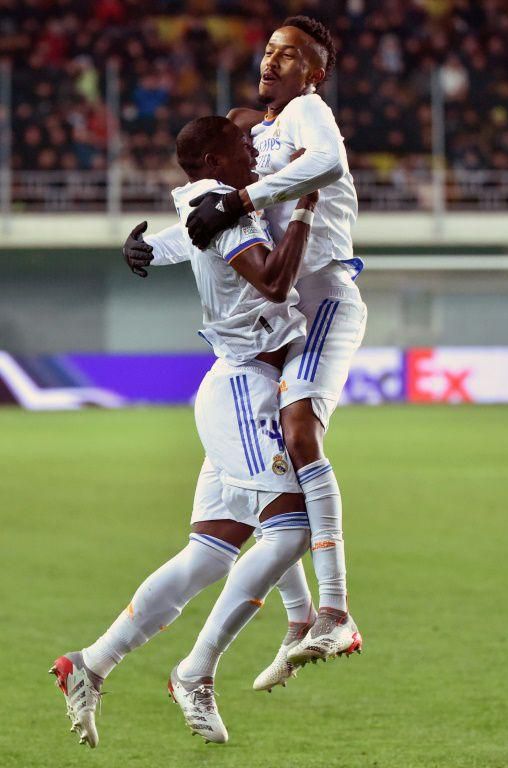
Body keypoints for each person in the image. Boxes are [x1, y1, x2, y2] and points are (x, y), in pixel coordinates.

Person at [50, 116, 318, 747]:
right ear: (210, 159)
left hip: (238, 386)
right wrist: (307, 203)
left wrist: (154, 247)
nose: (251, 152)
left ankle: (90, 664)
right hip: (244, 390)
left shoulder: (213, 203)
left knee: (210, 554)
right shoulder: (215, 202)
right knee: (295, 526)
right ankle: (198, 670)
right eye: (237, 148)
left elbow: (196, 233)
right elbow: (274, 279)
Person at [126, 15, 367, 681]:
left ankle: (336, 610)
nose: (273, 63)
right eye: (269, 51)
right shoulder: (255, 135)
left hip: (321, 298)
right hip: (284, 317)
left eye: (290, 57)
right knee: (269, 477)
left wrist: (240, 199)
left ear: (313, 73)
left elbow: (327, 165)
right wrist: (156, 246)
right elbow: (218, 230)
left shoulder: (310, 113)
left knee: (297, 432)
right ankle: (297, 619)